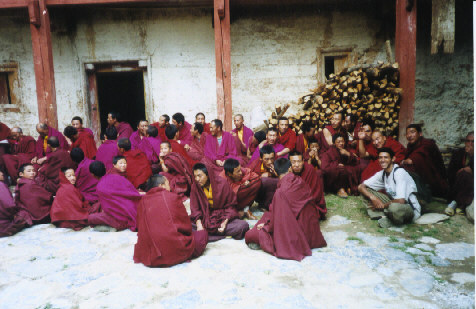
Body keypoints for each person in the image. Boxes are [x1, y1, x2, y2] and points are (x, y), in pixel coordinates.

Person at [244, 158, 327, 261]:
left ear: (275, 171)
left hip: (296, 232)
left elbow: (279, 219)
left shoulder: (280, 192)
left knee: (251, 235)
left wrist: (267, 225)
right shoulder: (300, 181)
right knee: (266, 216)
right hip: (311, 231)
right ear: (290, 169)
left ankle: (261, 241)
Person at [133, 175, 208, 267]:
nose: (170, 187)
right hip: (174, 251)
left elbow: (140, 228)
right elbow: (186, 225)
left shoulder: (142, 201)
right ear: (162, 185)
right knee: (202, 235)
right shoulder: (172, 197)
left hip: (151, 256)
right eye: (168, 184)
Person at [358, 148, 422, 225]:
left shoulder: (399, 172)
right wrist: (373, 198)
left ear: (393, 159)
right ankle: (388, 217)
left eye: (386, 157)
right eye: (380, 157)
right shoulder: (382, 174)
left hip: (407, 208)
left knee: (394, 208)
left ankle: (387, 218)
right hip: (391, 204)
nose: (382, 160)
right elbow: (361, 187)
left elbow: (401, 201)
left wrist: (383, 206)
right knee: (366, 191)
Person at [190, 163, 249, 242]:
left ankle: (207, 233)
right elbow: (195, 209)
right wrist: (199, 225)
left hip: (222, 216)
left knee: (242, 226)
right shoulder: (195, 186)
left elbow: (231, 206)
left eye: (200, 176)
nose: (197, 179)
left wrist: (224, 223)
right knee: (185, 225)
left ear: (208, 175)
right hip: (205, 217)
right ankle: (213, 232)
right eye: (195, 176)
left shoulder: (222, 183)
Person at [89, 156, 142, 231]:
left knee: (91, 218)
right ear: (105, 168)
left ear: (92, 175)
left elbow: (108, 208)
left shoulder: (99, 187)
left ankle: (112, 226)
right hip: (134, 211)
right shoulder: (117, 177)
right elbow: (132, 193)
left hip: (120, 218)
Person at [402, 124, 448, 197]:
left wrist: (403, 162)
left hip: (434, 179)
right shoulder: (410, 146)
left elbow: (413, 160)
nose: (409, 135)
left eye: (412, 132)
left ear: (420, 134)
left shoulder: (428, 144)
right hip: (421, 177)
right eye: (407, 133)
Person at [320, 133, 360, 198]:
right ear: (334, 143)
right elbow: (324, 168)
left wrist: (347, 154)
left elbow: (356, 161)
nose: (341, 143)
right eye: (338, 142)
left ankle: (348, 187)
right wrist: (336, 165)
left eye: (342, 141)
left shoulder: (346, 150)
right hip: (334, 177)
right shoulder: (328, 153)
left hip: (346, 173)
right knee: (341, 170)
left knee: (353, 169)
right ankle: (340, 189)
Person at [289, 151, 326, 217]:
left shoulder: (309, 169)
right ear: (289, 163)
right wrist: (290, 176)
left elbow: (315, 194)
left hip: (308, 203)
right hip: (293, 203)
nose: (297, 165)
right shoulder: (287, 171)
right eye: (293, 162)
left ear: (303, 161)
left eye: (299, 161)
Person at [445, 132, 474, 216]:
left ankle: (456, 204)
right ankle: (460, 205)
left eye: (473, 141)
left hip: (471, 186)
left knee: (465, 174)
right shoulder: (458, 153)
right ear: (465, 142)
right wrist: (461, 171)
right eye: (468, 141)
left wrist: (472, 155)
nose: (470, 144)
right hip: (457, 182)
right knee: (463, 174)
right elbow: (450, 172)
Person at [248, 145, 279, 210]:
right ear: (261, 158)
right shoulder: (255, 164)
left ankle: (266, 205)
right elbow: (247, 176)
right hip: (259, 193)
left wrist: (275, 174)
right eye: (267, 159)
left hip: (274, 194)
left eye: (272, 158)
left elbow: (285, 179)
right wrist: (260, 177)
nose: (270, 162)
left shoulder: (278, 163)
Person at [0, 171, 27, 237]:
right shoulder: (1, 185)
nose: (2, 173)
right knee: (24, 214)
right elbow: (9, 204)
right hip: (3, 223)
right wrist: (14, 214)